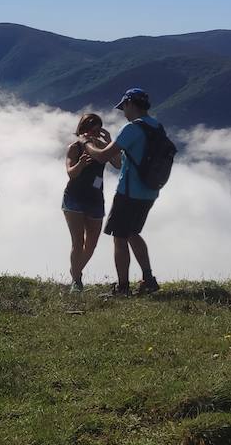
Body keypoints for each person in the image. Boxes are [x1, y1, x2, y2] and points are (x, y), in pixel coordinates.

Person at [84, 88, 163, 296]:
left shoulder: (131, 129)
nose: (123, 112)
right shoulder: (156, 127)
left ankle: (123, 288)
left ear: (129, 103)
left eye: (123, 107)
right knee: (133, 233)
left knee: (119, 238)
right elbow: (119, 162)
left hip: (128, 193)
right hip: (150, 192)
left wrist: (86, 143)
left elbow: (101, 157)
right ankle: (148, 279)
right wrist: (109, 142)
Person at [62, 113, 119, 293]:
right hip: (74, 198)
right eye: (90, 129)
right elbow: (71, 173)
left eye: (97, 129)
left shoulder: (103, 147)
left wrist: (110, 142)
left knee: (92, 243)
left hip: (95, 199)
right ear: (83, 129)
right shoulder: (75, 147)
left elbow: (118, 164)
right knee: (78, 242)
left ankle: (75, 271)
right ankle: (76, 281)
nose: (93, 133)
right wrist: (80, 164)